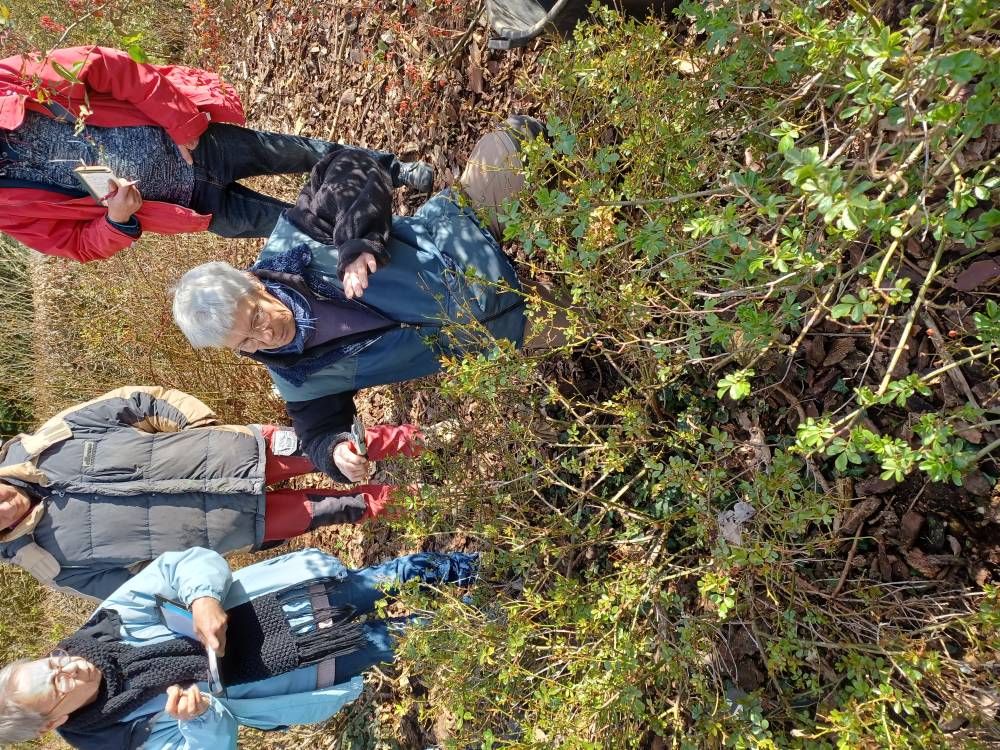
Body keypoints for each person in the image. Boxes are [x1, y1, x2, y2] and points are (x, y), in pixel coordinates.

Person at [172, 116, 548, 487]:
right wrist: (334, 452)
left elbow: (347, 166)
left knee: (514, 142)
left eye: (255, 319)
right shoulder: (296, 377)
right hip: (502, 327)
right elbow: (317, 432)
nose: (265, 336)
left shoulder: (296, 241)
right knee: (595, 320)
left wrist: (356, 240)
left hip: (461, 233)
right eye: (246, 343)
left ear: (253, 283)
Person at [0, 544, 478, 748]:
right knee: (402, 637)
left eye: (52, 662)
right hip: (306, 669)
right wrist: (199, 718)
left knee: (390, 578)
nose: (69, 668)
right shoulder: (119, 736)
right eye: (58, 684)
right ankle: (494, 619)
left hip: (288, 601)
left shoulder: (102, 627)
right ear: (56, 721)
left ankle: (478, 566)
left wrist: (203, 598)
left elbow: (179, 565)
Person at [0, 45, 432, 261]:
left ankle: (390, 171)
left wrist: (182, 125)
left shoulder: (10, 83)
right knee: (301, 228)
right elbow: (76, 245)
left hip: (198, 145)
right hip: (191, 207)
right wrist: (116, 221)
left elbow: (109, 66)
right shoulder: (5, 210)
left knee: (309, 155)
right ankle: (411, 240)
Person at [0, 385, 426, 601]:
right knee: (342, 508)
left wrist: (196, 427)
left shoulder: (46, 443)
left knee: (342, 446)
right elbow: (148, 589)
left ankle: (425, 439)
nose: (3, 507)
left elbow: (138, 401)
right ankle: (426, 499)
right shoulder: (49, 563)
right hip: (238, 526)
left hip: (237, 452)